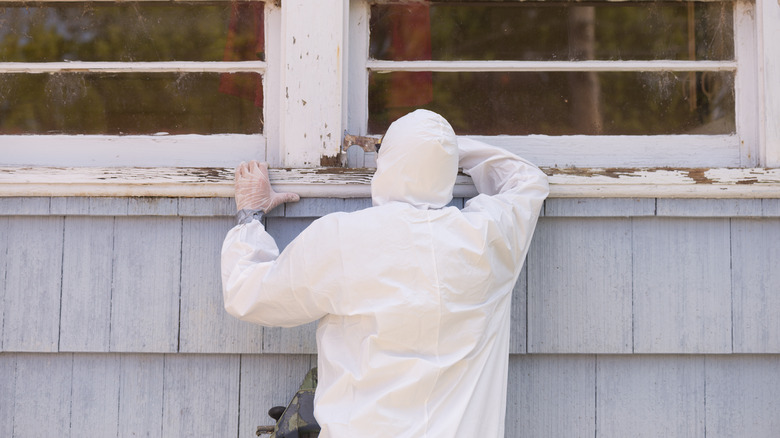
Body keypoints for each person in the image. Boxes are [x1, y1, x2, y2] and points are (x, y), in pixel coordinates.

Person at [221, 109, 549, 437]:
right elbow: (527, 180)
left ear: (388, 163)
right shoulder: (486, 239)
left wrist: (250, 215)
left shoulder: (343, 238)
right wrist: (443, 150)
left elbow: (248, 294)